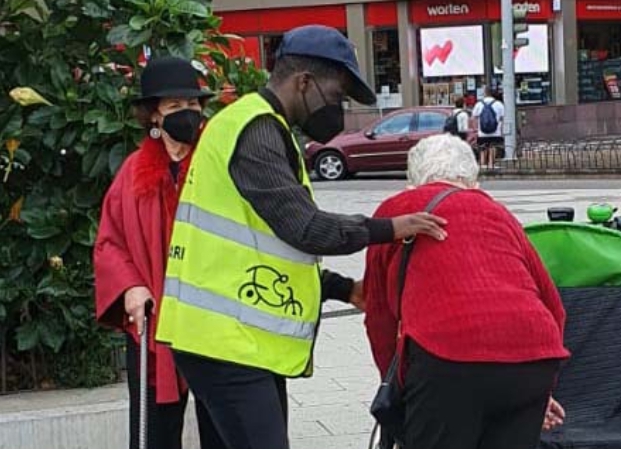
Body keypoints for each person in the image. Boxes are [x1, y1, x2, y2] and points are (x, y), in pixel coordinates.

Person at [155, 25, 448, 448]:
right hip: (224, 343)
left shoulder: (262, 127)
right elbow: (306, 229)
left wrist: (343, 289)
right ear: (304, 82)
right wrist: (390, 228)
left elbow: (265, 244)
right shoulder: (253, 130)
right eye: (336, 95)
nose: (338, 108)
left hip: (227, 339)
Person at [364, 134, 570, 448]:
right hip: (533, 360)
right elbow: (554, 307)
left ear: (413, 180)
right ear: (473, 181)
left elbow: (379, 318)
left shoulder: (397, 210)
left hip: (447, 360)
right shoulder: (497, 212)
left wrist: (395, 385)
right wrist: (542, 390)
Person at [93, 56, 224, 449]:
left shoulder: (217, 163)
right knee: (155, 431)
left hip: (214, 319)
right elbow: (109, 242)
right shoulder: (133, 174)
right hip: (156, 321)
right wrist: (130, 286)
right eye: (175, 107)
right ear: (154, 116)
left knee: (223, 425)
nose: (187, 114)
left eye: (193, 106)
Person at [472, 86, 505, 169]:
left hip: (482, 133)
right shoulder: (499, 104)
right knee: (493, 148)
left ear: (485, 93)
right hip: (496, 132)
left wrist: (475, 130)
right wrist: (501, 130)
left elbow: (474, 118)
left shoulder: (479, 104)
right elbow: (502, 118)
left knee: (483, 149)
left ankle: (483, 165)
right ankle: (491, 164)